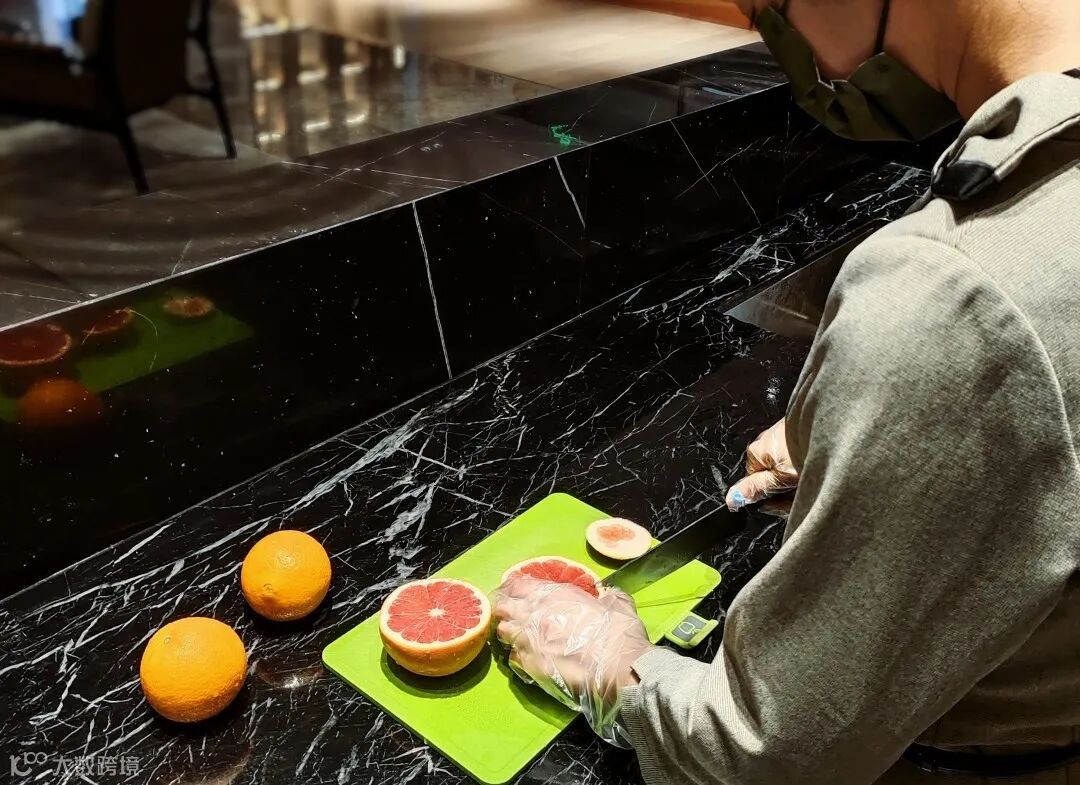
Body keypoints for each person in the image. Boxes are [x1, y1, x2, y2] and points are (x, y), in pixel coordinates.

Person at [491, 1, 1080, 783]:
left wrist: (609, 665)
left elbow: (767, 758)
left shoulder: (958, 282)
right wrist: (901, 449)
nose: (784, 41)